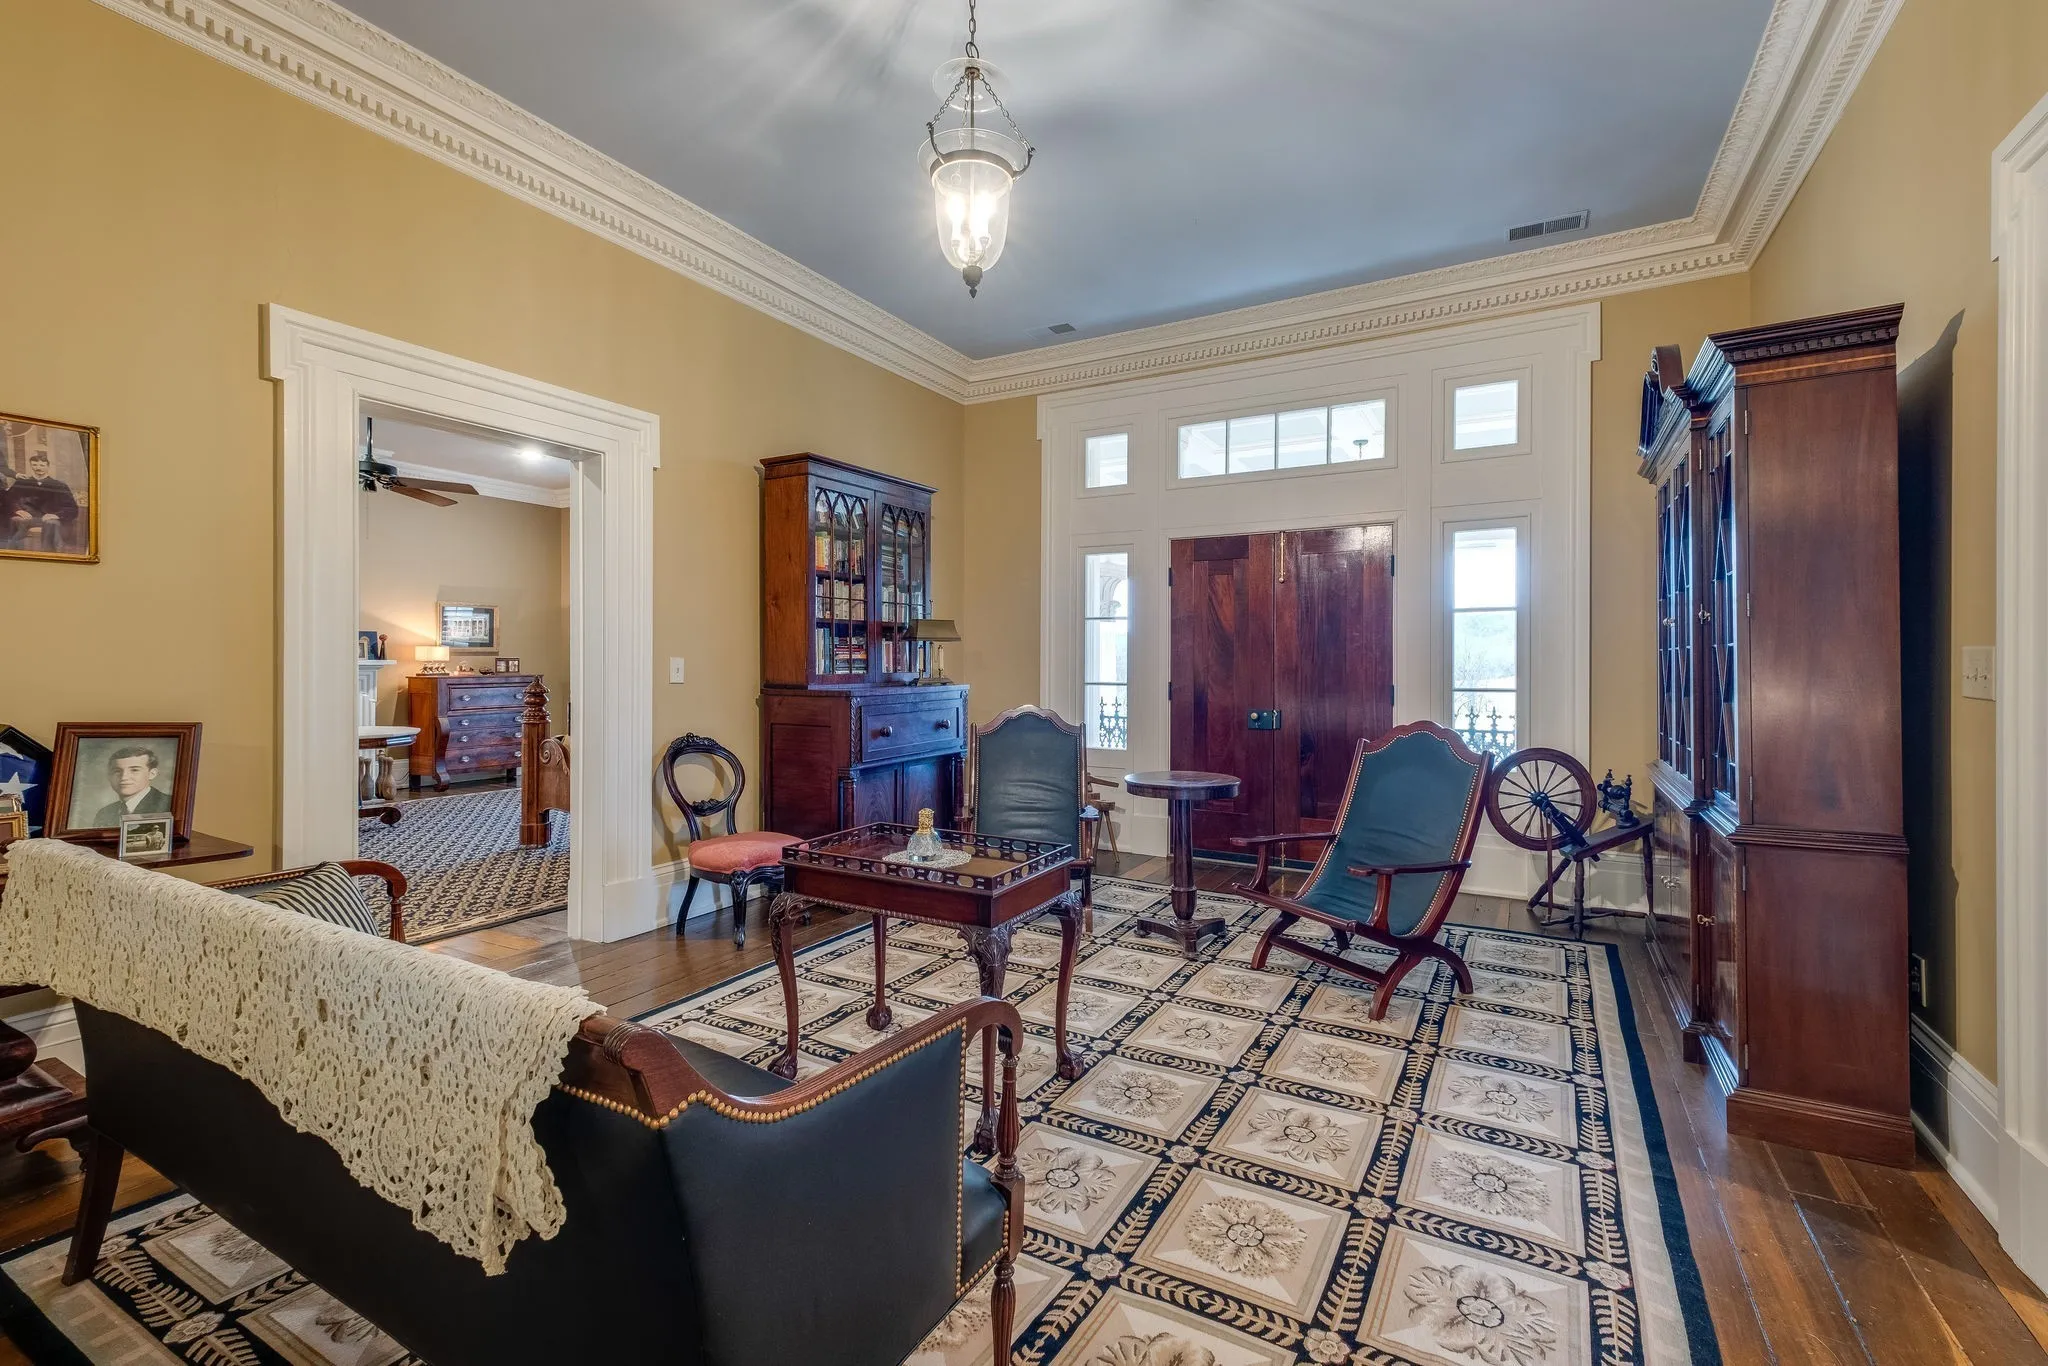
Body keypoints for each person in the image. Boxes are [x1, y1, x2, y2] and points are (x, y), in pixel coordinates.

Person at [2, 448, 82, 552]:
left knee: (51, 523)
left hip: (50, 519)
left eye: (42, 465)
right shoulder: (22, 483)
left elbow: (72, 508)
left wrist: (56, 515)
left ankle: (49, 553)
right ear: (31, 466)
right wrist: (17, 510)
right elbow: (8, 499)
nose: (38, 468)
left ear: (48, 466)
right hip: (29, 518)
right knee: (16, 521)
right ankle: (12, 553)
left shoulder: (59, 485)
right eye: (35, 465)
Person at [92, 746, 174, 826]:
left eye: (134, 770)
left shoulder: (169, 805)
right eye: (117, 771)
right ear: (109, 776)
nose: (124, 777)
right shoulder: (104, 813)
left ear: (152, 774)